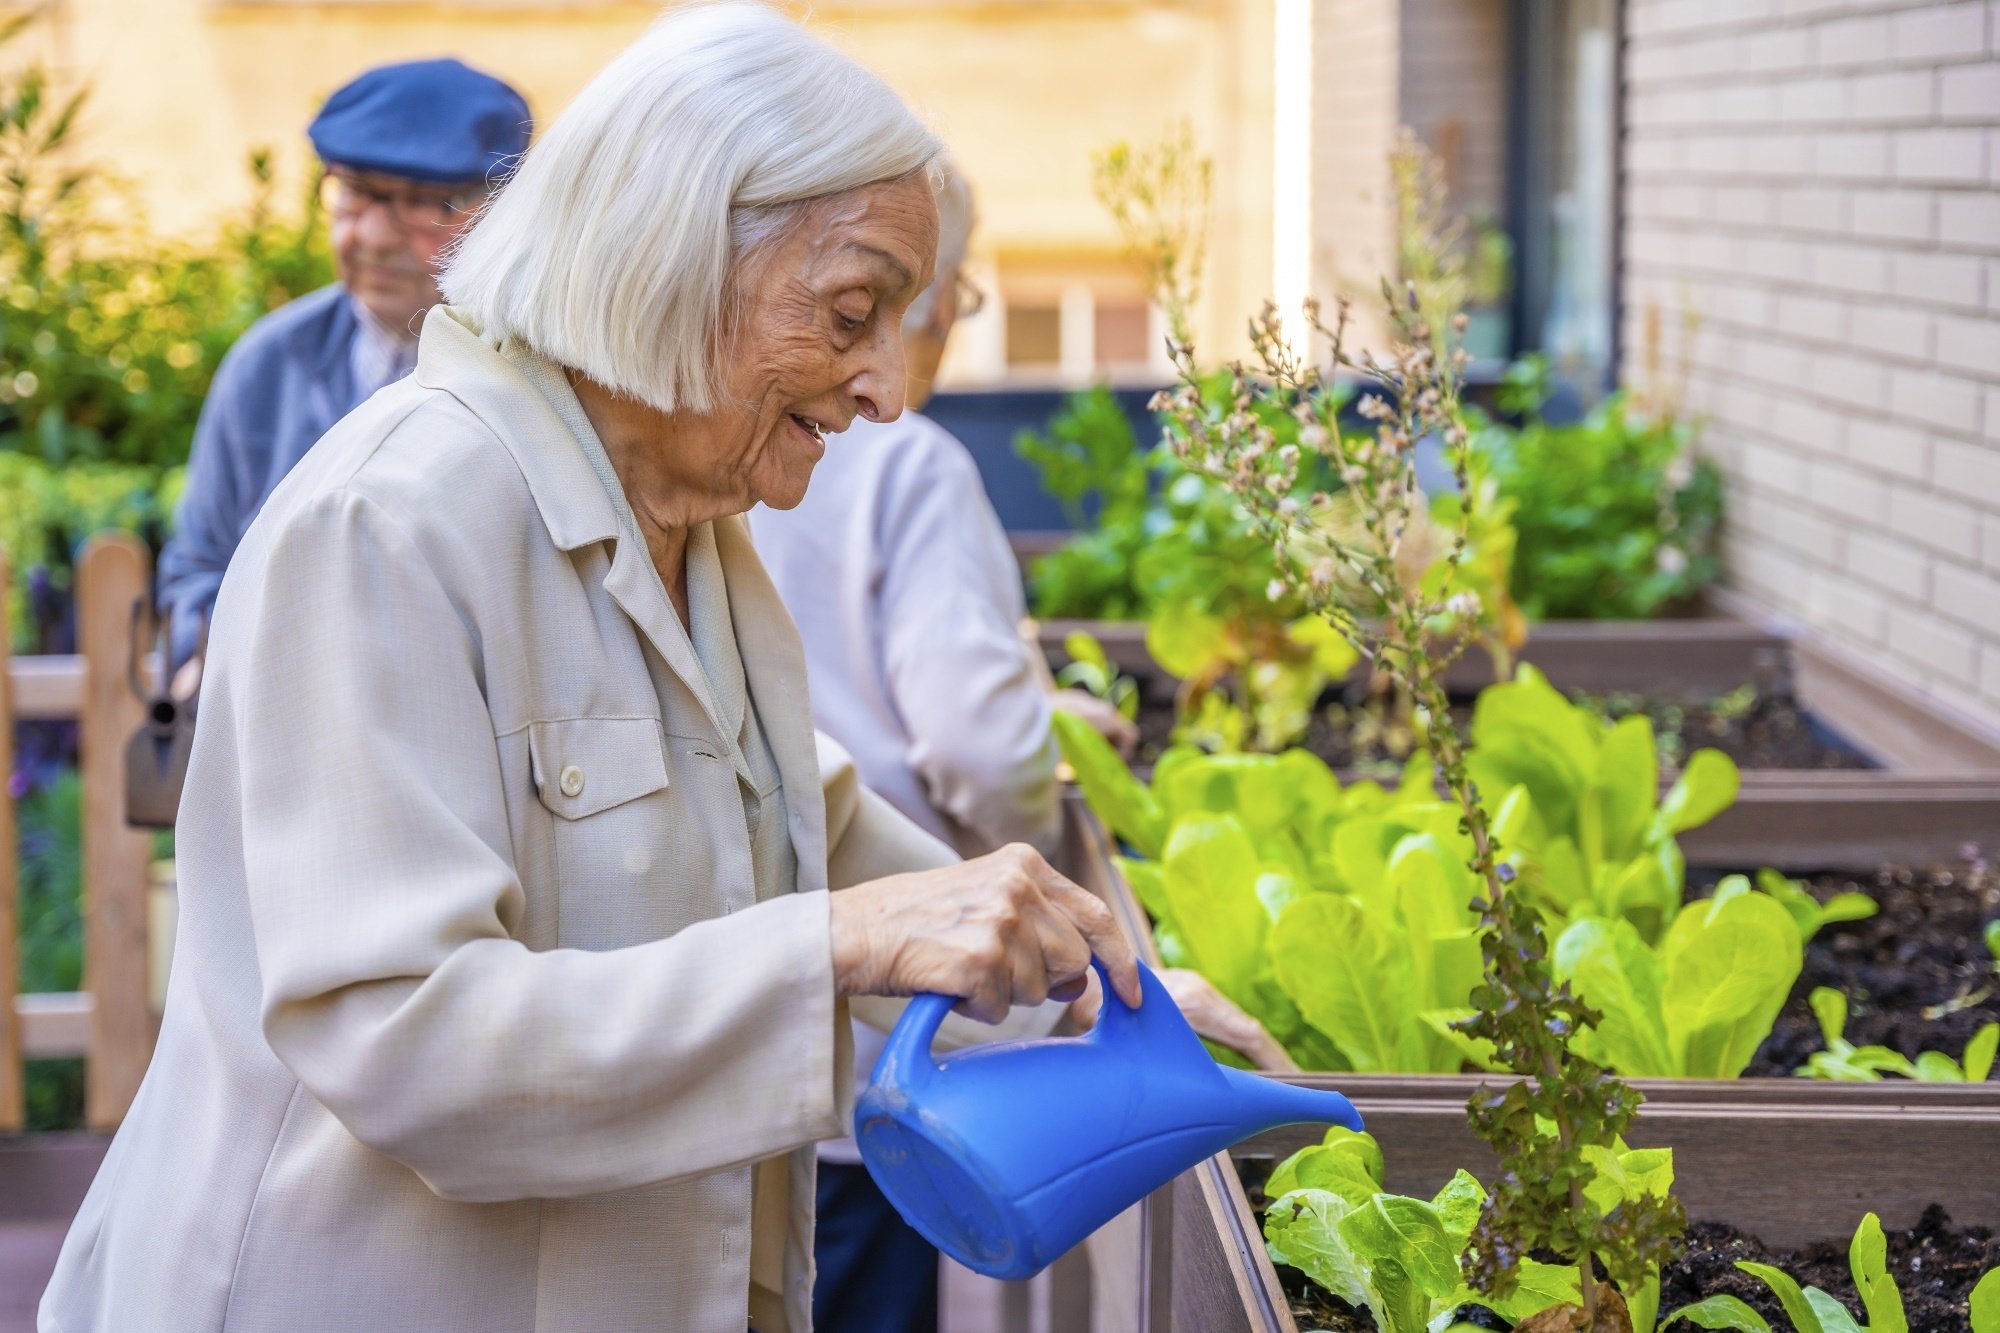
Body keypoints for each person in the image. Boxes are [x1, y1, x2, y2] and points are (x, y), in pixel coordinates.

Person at [39, 9, 1141, 1333]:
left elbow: (811, 834)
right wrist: (842, 944)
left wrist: (1107, 999)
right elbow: (408, 1038)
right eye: (853, 312)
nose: (886, 389)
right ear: (672, 259)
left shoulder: (695, 527)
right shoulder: (391, 520)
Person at [750, 164, 1294, 1333]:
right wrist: (1054, 876)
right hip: (885, 1009)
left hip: (772, 1012)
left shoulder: (738, 460)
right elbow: (975, 746)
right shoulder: (913, 462)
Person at [155, 57, 531, 664]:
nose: (375, 237)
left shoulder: (540, 371)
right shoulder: (269, 366)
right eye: (356, 193)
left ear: (500, 209)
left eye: (423, 202)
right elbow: (198, 568)